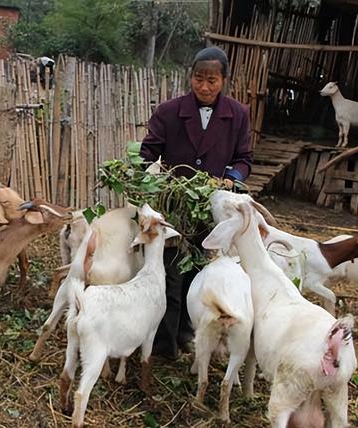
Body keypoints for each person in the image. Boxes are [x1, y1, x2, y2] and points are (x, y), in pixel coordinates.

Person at [139, 46, 253, 358]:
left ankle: (187, 336)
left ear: (224, 81)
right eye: (198, 79)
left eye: (212, 81)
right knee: (170, 273)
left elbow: (244, 159)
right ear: (191, 76)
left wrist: (230, 177)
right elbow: (147, 153)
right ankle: (163, 346)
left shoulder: (238, 115)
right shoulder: (169, 111)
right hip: (174, 205)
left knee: (198, 272)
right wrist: (150, 175)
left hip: (210, 209)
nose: (204, 87)